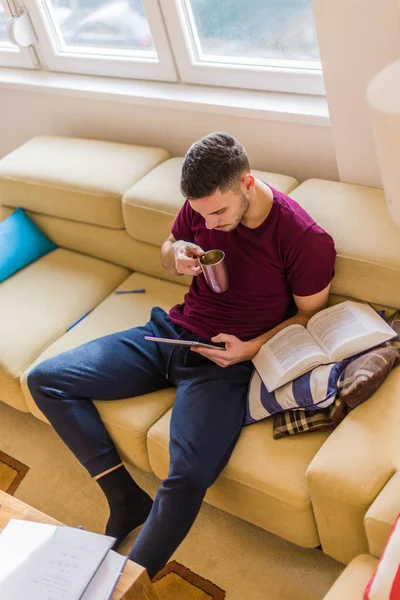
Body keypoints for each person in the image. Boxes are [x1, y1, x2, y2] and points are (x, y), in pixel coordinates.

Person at [27, 132, 336, 580]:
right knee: (46, 379)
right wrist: (177, 257)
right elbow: (168, 248)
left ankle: (124, 585)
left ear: (247, 184)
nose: (207, 224)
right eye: (200, 213)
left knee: (189, 473)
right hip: (169, 334)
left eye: (218, 213)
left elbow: (312, 314)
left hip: (227, 361)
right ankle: (125, 500)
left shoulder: (303, 237)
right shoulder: (201, 205)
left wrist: (250, 348)